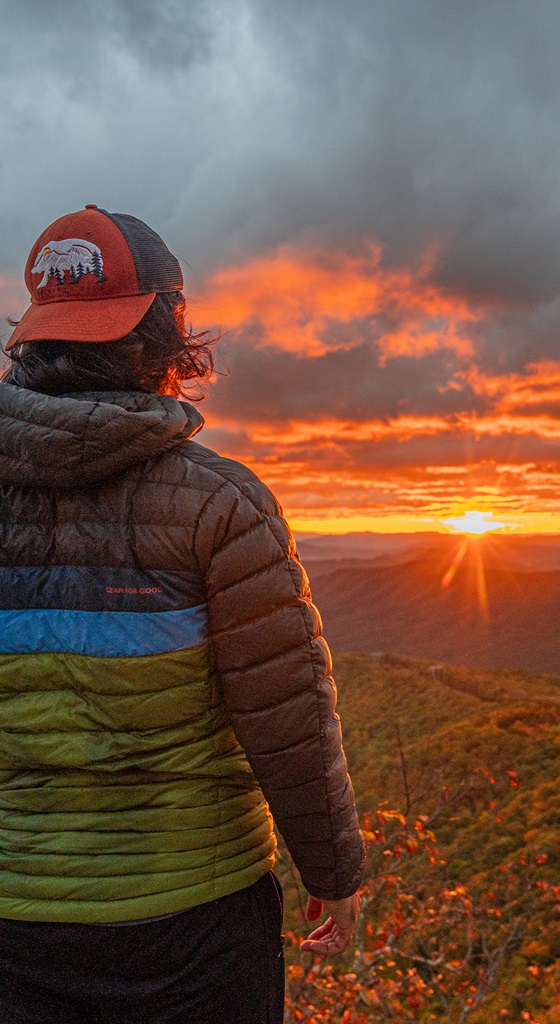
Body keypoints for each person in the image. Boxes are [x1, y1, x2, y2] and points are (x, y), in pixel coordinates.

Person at [0, 205, 365, 1024]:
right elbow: (288, 718)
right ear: (168, 338)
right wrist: (333, 876)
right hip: (195, 921)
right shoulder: (222, 506)